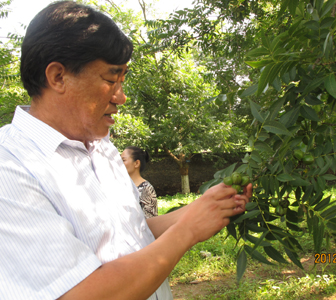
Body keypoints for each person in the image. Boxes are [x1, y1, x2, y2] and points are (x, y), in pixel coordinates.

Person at [0, 1, 252, 300]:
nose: (122, 97)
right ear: (58, 77)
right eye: (110, 79)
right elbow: (81, 294)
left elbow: (132, 234)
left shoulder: (102, 148)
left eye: (123, 80)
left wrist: (199, 209)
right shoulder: (11, 166)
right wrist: (188, 231)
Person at [122, 146, 158, 218]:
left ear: (137, 163)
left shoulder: (146, 189)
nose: (119, 163)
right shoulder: (119, 185)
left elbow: (150, 220)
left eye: (123, 160)